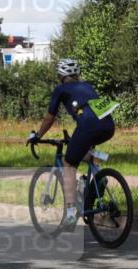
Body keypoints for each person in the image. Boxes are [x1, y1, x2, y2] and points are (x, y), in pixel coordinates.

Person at [27, 59, 118, 228]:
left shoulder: (60, 89)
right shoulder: (88, 86)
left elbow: (49, 118)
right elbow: (92, 110)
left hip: (87, 127)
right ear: (76, 74)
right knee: (84, 152)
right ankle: (99, 175)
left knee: (68, 164)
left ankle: (69, 214)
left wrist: (38, 135)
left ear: (60, 75)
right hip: (108, 126)